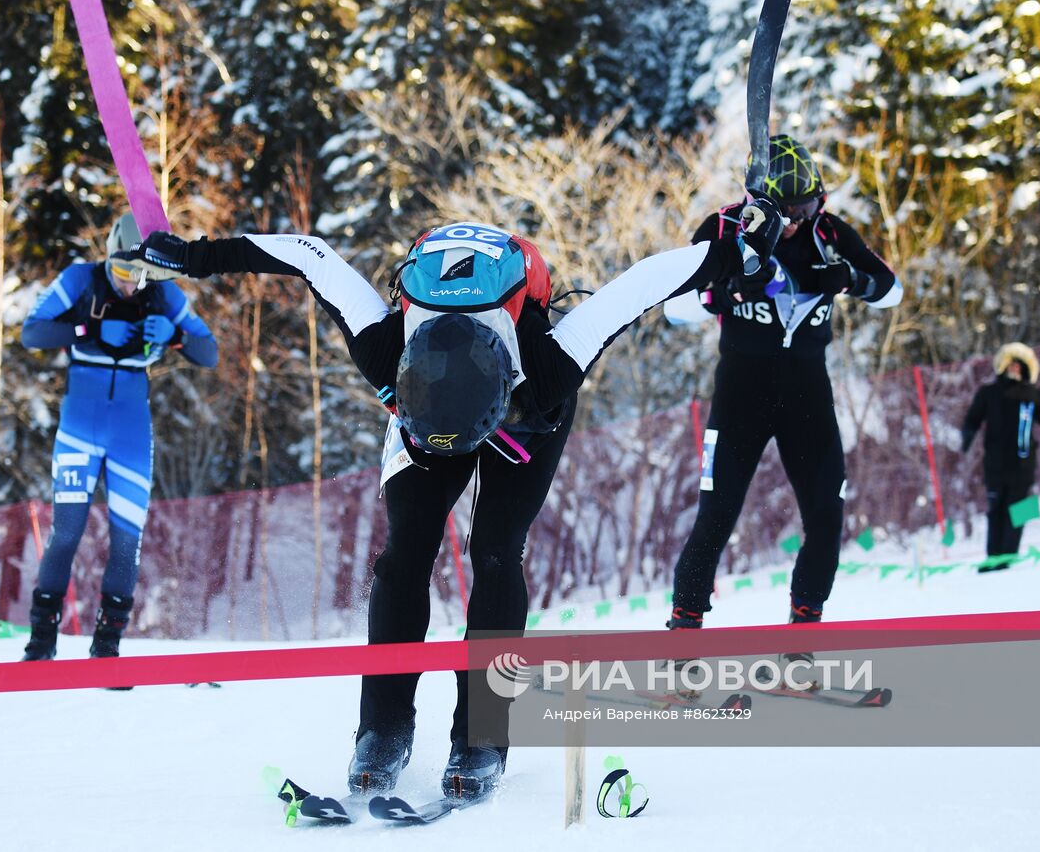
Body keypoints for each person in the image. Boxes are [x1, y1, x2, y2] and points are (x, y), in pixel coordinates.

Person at [120, 202, 779, 799]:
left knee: (495, 553)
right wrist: (189, 254)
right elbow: (306, 252)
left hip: (522, 416)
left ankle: (482, 734)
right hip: (424, 409)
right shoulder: (383, 348)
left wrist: (739, 252)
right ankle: (381, 728)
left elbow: (643, 281)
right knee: (404, 553)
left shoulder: (551, 363)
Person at [665, 135, 901, 665]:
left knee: (827, 513)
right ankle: (682, 646)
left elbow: (893, 290)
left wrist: (851, 278)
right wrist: (721, 294)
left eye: (809, 204)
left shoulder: (831, 231)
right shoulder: (726, 227)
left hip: (807, 394)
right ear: (762, 201)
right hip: (741, 392)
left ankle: (800, 645)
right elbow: (673, 308)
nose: (799, 218)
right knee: (717, 515)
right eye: (788, 209)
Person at [18, 214, 218, 662]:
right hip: (79, 427)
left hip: (130, 430)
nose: (132, 287)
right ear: (110, 257)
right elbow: (32, 332)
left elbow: (210, 352)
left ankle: (107, 645)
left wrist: (177, 337)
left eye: (141, 277)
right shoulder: (80, 279)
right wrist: (85, 329)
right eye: (125, 274)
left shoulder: (163, 293)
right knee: (66, 533)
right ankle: (41, 642)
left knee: (128, 538)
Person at [960, 342, 1040, 571]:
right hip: (995, 464)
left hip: (1023, 466)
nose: (1014, 369)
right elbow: (972, 418)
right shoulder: (989, 392)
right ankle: (993, 557)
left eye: (1018, 365)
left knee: (1019, 511)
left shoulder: (1031, 394)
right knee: (996, 511)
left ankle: (1009, 556)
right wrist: (966, 438)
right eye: (1011, 364)